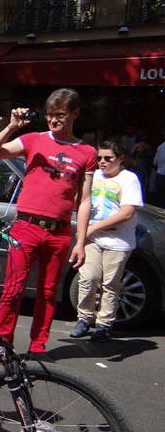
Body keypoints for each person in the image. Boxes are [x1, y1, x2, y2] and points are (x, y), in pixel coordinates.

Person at [0, 89, 97, 365]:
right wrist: (11, 127)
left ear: (75, 114)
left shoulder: (87, 152)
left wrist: (80, 242)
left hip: (59, 231)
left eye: (61, 116)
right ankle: (3, 343)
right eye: (50, 116)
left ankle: (38, 344)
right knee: (12, 289)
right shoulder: (34, 140)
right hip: (26, 226)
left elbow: (86, 199)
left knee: (47, 291)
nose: (54, 121)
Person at [71, 140, 143, 342]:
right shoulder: (91, 177)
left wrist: (94, 226)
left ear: (120, 159)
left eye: (108, 158)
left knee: (110, 284)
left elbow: (127, 212)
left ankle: (104, 325)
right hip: (91, 238)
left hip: (118, 241)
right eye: (99, 158)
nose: (102, 162)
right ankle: (84, 319)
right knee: (88, 278)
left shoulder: (129, 179)